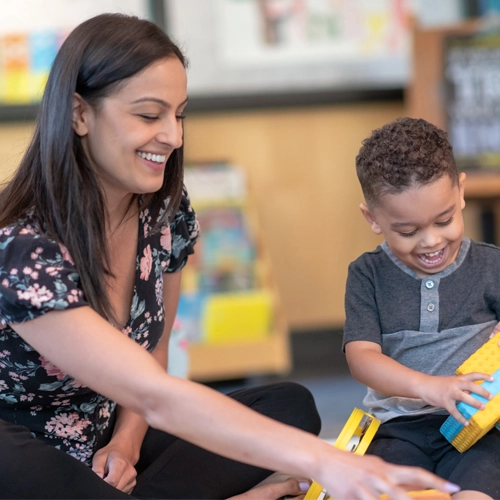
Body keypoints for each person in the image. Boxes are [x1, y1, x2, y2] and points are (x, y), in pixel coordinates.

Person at [0, 15, 456, 500]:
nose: (173, 137)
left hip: (107, 442)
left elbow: (151, 357)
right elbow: (158, 395)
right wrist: (325, 459)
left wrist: (127, 443)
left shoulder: (164, 213)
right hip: (29, 457)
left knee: (288, 406)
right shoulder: (25, 252)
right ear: (79, 114)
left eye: (179, 114)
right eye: (150, 115)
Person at [344, 117, 500, 500]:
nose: (431, 242)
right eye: (408, 231)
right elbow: (362, 358)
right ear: (373, 218)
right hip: (398, 427)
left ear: (461, 192)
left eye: (444, 220)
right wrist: (432, 388)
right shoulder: (367, 274)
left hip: (477, 430)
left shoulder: (491, 265)